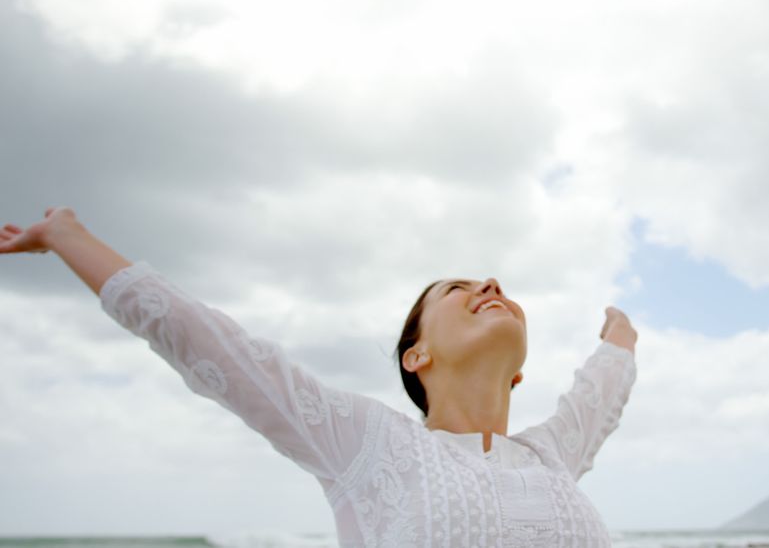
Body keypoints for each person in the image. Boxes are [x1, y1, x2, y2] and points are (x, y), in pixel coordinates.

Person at [0, 206, 639, 547]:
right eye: (457, 290)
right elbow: (209, 342)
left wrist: (619, 339)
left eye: (496, 288)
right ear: (416, 356)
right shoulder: (368, 442)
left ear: (519, 374)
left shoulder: (550, 455)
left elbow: (601, 394)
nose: (492, 286)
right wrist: (67, 236)